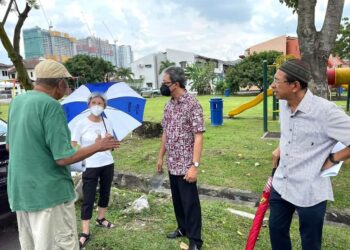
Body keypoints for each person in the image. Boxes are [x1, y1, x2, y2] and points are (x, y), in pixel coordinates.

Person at [6, 59, 120, 250]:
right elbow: (63, 158)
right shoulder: (51, 106)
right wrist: (98, 146)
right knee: (60, 244)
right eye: (67, 82)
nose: (67, 87)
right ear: (60, 83)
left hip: (21, 192)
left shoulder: (17, 102)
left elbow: (11, 147)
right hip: (49, 195)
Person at [269, 59, 350, 250]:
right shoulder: (284, 103)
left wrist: (334, 159)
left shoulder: (325, 112)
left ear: (295, 86)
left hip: (310, 190)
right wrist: (281, 147)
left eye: (277, 81)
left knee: (310, 242)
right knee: (276, 230)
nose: (272, 85)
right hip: (281, 184)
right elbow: (290, 133)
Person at [156, 66, 205, 250]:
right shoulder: (168, 105)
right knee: (177, 200)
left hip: (186, 164)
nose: (163, 86)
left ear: (176, 84)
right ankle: (182, 228)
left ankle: (195, 240)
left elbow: (198, 135)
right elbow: (165, 132)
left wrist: (194, 165)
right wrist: (161, 156)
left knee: (190, 203)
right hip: (172, 162)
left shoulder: (192, 104)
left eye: (165, 83)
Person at [71, 92, 117, 249]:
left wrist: (110, 142)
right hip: (89, 165)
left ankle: (101, 218)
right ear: (88, 105)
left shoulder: (106, 122)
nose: (97, 106)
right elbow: (73, 145)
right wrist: (93, 146)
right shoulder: (80, 124)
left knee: (105, 192)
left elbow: (111, 145)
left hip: (107, 162)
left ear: (105, 106)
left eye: (100, 103)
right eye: (94, 102)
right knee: (88, 197)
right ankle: (85, 231)